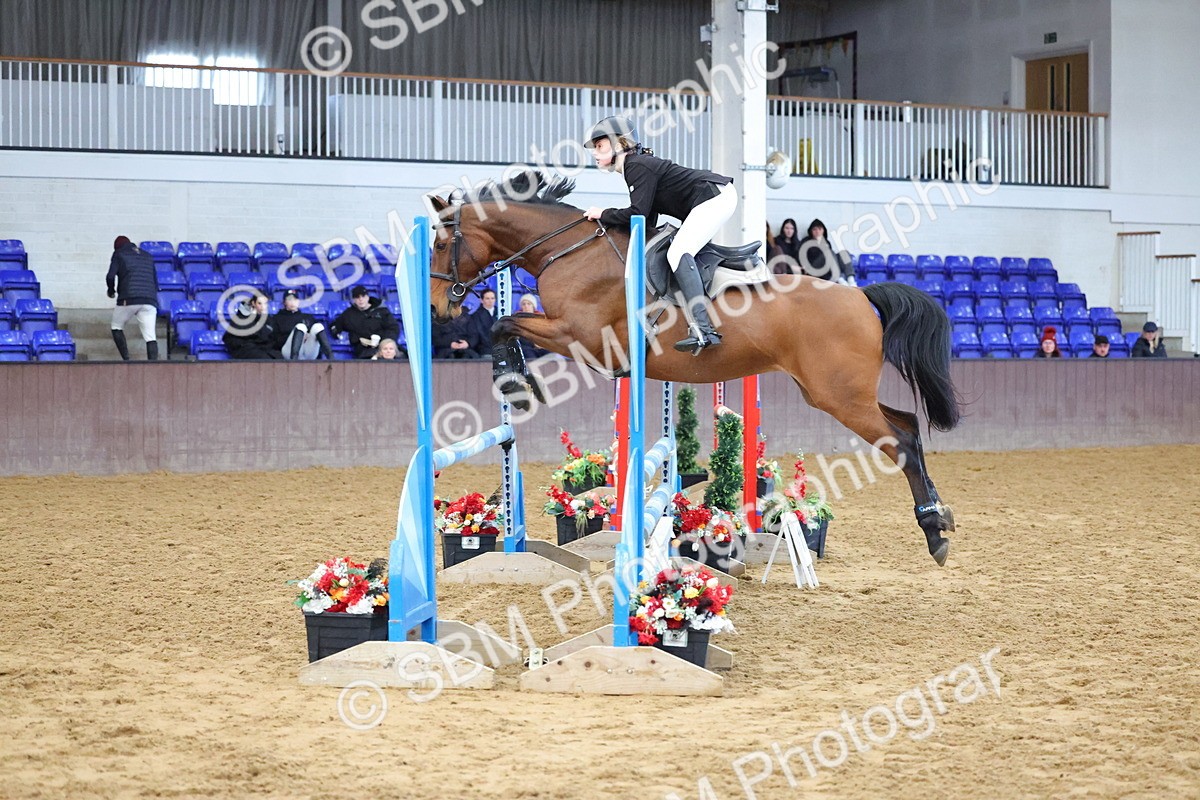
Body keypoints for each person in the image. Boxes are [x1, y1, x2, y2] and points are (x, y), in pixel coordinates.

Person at [581, 115, 733, 354]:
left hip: (714, 196)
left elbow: (637, 212)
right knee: (674, 250)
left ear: (620, 144)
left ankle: (704, 328)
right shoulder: (635, 167)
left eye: (599, 146)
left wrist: (603, 213)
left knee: (677, 253)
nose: (595, 153)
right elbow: (646, 219)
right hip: (712, 197)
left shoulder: (636, 166)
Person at [105, 236, 160, 360]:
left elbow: (110, 276)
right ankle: (153, 365)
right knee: (150, 337)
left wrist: (111, 291)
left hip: (128, 298)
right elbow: (155, 282)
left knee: (116, 326)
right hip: (149, 300)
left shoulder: (119, 254)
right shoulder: (148, 256)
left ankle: (126, 359)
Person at [330, 285, 400, 359]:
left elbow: (393, 328)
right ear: (353, 300)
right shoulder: (348, 314)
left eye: (363, 296)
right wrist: (337, 333)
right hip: (364, 350)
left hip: (384, 346)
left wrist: (384, 341)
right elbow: (335, 326)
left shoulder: (382, 311)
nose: (361, 299)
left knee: (401, 355)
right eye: (357, 297)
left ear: (368, 297)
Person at [273, 290, 333, 360]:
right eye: (289, 299)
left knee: (318, 326)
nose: (293, 302)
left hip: (307, 351)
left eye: (295, 299)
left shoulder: (307, 317)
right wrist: (297, 336)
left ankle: (331, 358)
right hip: (288, 352)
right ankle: (294, 361)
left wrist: (307, 336)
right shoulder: (277, 318)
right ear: (284, 302)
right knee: (301, 327)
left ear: (298, 301)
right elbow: (275, 341)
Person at [223, 291, 281, 359]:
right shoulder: (241, 318)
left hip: (264, 349)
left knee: (280, 359)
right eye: (259, 303)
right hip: (246, 350)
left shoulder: (269, 320)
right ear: (253, 303)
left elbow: (272, 339)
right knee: (264, 359)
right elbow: (230, 338)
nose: (263, 307)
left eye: (265, 303)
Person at [797, 219, 855, 285]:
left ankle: (851, 280)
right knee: (828, 252)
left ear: (823, 230)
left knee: (843, 252)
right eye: (814, 229)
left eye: (819, 229)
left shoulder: (826, 242)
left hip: (827, 269)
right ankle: (839, 279)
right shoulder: (806, 242)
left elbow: (832, 258)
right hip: (813, 268)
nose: (817, 231)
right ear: (811, 231)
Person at [516, 295, 549, 361]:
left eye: (529, 304)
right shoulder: (517, 319)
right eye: (524, 304)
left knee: (551, 355)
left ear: (533, 306)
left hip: (541, 346)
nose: (526, 306)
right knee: (529, 354)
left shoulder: (541, 319)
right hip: (526, 347)